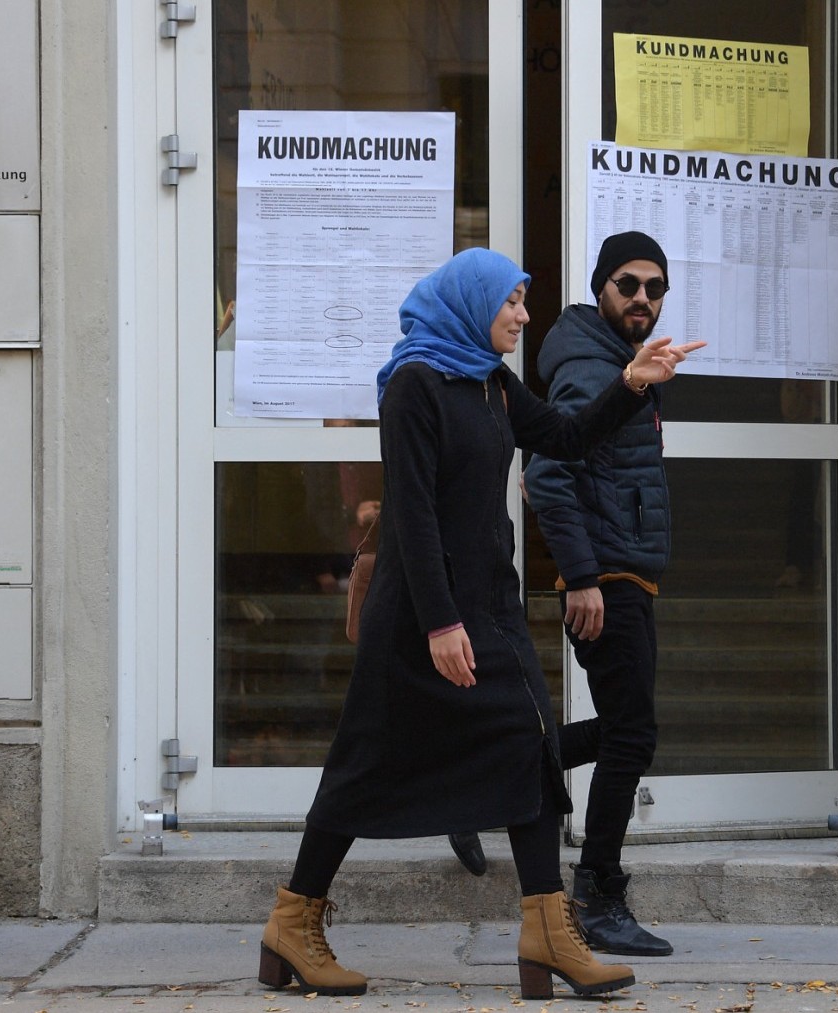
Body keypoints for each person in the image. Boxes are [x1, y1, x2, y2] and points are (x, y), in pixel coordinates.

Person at [257, 248, 703, 1001]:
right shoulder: (414, 385)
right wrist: (438, 623)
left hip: (490, 604)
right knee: (362, 765)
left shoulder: (491, 382)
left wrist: (631, 384)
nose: (524, 317)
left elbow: (561, 436)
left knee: (529, 751)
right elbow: (414, 515)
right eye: (514, 303)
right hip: (422, 613)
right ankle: (292, 923)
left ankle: (548, 932)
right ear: (474, 302)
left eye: (526, 302)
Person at [526, 231, 682, 956]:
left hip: (623, 567)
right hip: (607, 577)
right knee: (631, 733)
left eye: (655, 287)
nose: (642, 298)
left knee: (627, 725)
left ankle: (498, 767)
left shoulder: (619, 361)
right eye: (629, 284)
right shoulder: (591, 368)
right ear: (601, 288)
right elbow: (549, 474)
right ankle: (597, 893)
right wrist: (582, 576)